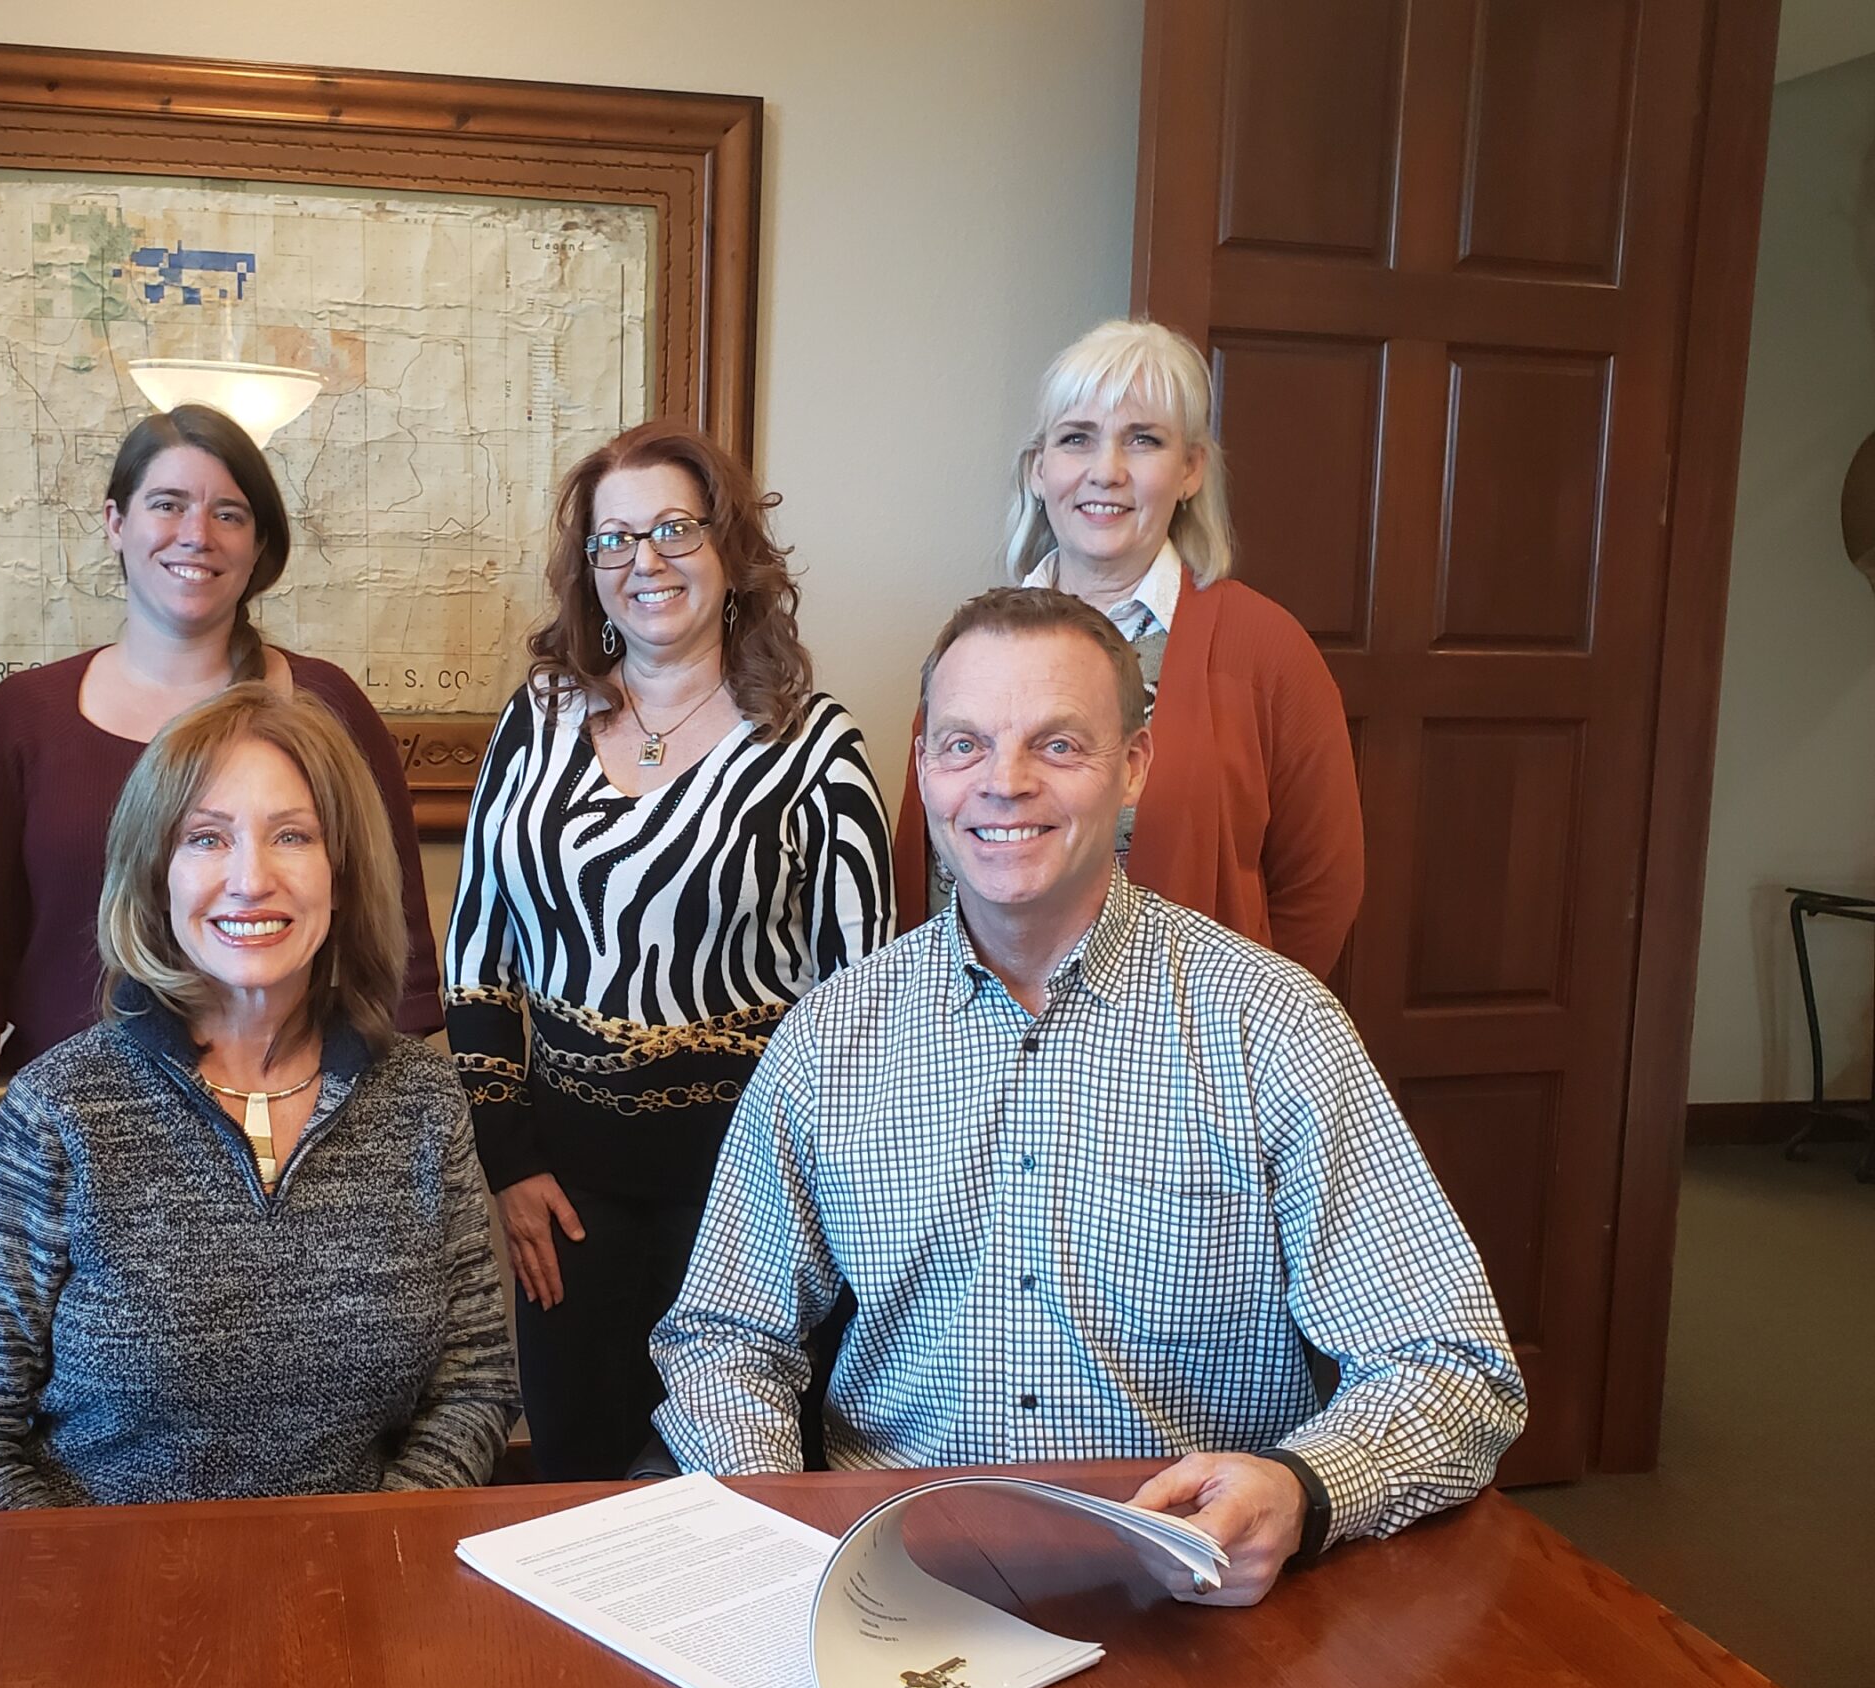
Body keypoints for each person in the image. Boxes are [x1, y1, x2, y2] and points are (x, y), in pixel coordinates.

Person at [652, 588, 1525, 1606]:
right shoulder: (830, 1040)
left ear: (1133, 770)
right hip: (899, 1587)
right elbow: (723, 1338)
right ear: (926, 764)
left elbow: (1452, 1364)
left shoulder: (1270, 1027)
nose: (1003, 784)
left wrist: (1300, 1489)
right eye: (965, 744)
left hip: (1189, 1585)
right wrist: (787, 1535)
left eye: (1058, 745)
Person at [0, 685, 517, 1509]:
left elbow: (473, 1388)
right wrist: (80, 1595)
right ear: (157, 876)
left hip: (354, 1589)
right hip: (105, 1599)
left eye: (292, 836)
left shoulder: (422, 1100)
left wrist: (378, 1547)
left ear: (343, 874)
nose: (250, 879)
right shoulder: (61, 1107)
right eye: (206, 838)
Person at [444, 422, 894, 1482]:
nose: (643, 562)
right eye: (614, 540)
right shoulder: (537, 718)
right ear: (588, 570)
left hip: (749, 1206)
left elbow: (865, 1007)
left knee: (738, 1493)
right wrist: (508, 1163)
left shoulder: (815, 747)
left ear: (731, 553)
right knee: (577, 1482)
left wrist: (810, 1210)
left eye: (674, 530)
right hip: (563, 1203)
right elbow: (476, 957)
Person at [0, 406, 438, 1078]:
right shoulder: (21, 720)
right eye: (168, 504)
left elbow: (400, 958)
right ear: (116, 523)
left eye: (228, 514)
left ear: (259, 544)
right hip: (62, 1136)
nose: (196, 535)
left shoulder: (328, 708)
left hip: (286, 1127)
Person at [890, 319, 1363, 978]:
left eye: (1143, 440)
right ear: (1039, 469)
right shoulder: (971, 646)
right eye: (1077, 439)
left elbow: (1322, 888)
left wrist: (1239, 1030)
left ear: (1191, 470)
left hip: (1190, 1055)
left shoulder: (1266, 650)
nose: (1106, 472)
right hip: (981, 1046)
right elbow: (927, 866)